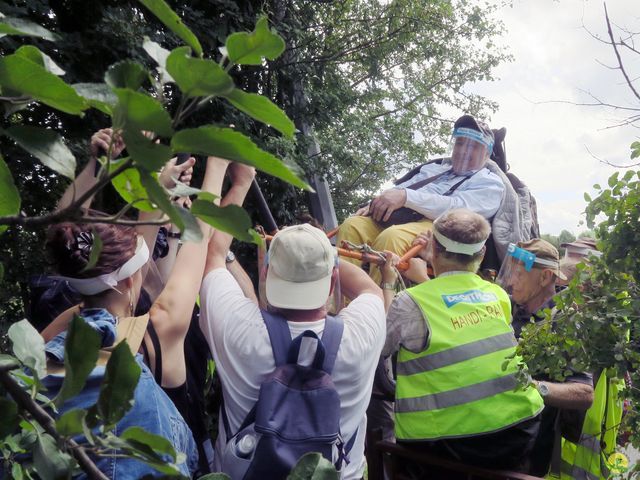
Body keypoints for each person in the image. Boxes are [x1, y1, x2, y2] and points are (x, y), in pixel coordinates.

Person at [42, 147, 232, 475]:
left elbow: (75, 242)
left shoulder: (61, 331)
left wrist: (157, 192)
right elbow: (199, 236)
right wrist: (218, 162)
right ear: (131, 281)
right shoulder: (159, 331)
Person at [199, 181, 386, 478]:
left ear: (266, 272)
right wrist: (330, 261)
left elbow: (212, 256)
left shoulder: (239, 327)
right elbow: (370, 290)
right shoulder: (361, 333)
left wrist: (241, 182)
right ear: (333, 279)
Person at [383, 209, 543, 477]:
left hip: (445, 443)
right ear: (481, 254)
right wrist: (431, 271)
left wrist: (389, 284)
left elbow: (381, 344)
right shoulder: (497, 295)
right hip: (518, 429)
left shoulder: (410, 302)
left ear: (433, 247)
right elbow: (456, 302)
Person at [337, 114, 504, 283]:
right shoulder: (433, 169)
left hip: (439, 228)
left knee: (391, 237)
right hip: (403, 217)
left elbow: (457, 209)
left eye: (473, 146)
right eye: (460, 143)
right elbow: (401, 189)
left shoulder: (491, 183)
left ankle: (379, 304)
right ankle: (339, 304)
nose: (463, 151)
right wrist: (378, 202)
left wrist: (405, 197)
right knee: (352, 225)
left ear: (487, 154)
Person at [497, 239, 595, 476]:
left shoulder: (565, 322)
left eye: (518, 275)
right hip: (494, 444)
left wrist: (533, 387)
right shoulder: (507, 308)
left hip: (528, 454)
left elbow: (584, 393)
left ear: (544, 277)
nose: (510, 282)